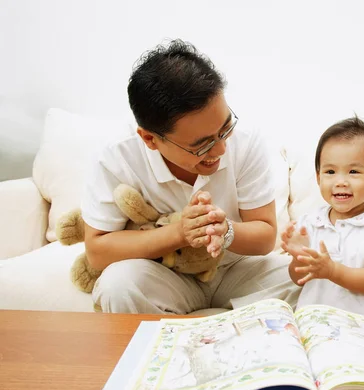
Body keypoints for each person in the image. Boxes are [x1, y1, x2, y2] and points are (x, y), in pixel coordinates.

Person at [81, 39, 299, 314]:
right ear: (150, 139)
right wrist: (178, 233)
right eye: (202, 145)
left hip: (236, 269)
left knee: (312, 279)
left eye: (225, 129)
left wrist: (227, 230)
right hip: (165, 274)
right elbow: (98, 251)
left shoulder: (246, 141)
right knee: (118, 286)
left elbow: (265, 235)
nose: (220, 149)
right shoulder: (116, 156)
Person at [281, 116, 364, 316]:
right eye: (330, 171)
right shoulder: (310, 223)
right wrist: (298, 258)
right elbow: (298, 279)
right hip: (318, 320)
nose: (340, 181)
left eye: (353, 171)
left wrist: (332, 271)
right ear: (318, 177)